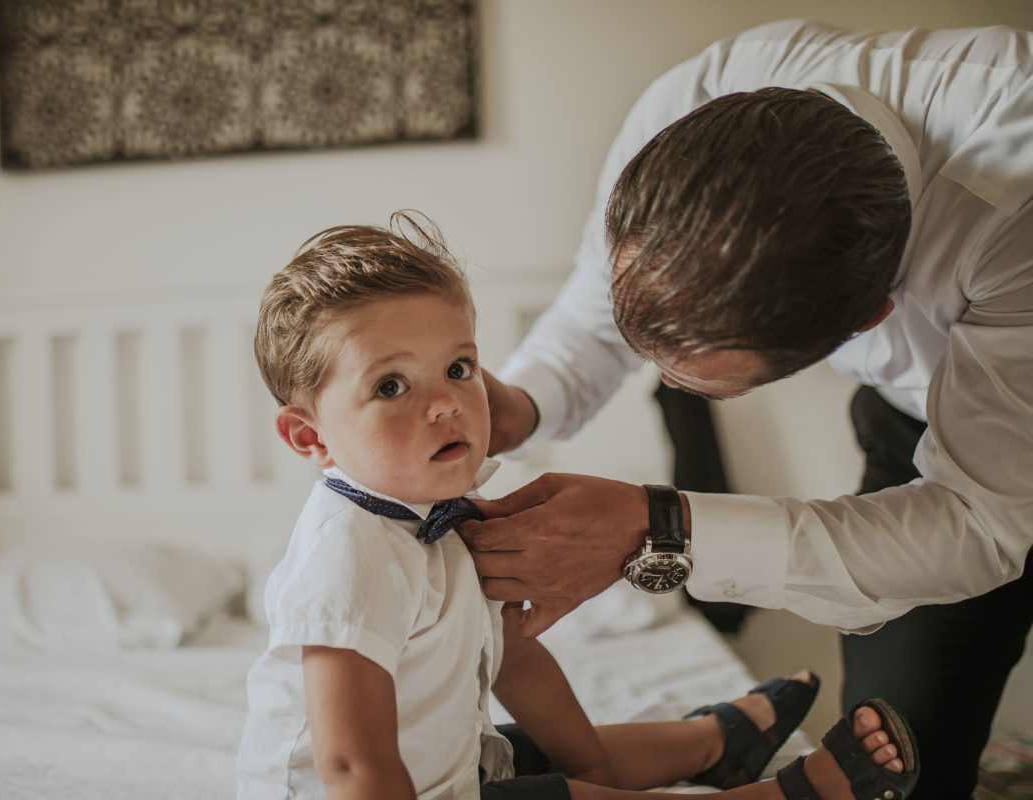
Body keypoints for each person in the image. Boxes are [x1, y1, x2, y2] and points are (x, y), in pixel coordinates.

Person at [457, 19, 1033, 800]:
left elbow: (980, 522)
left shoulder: (1012, 201)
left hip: (988, 456)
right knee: (903, 759)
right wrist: (517, 406)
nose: (653, 374)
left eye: (696, 380)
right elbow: (596, 317)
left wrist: (658, 526)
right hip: (919, 425)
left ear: (868, 322)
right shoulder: (684, 106)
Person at [234, 212, 918, 800]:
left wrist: (595, 767)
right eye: (389, 386)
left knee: (557, 755)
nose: (444, 401)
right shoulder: (347, 554)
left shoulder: (452, 514)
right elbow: (352, 764)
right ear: (309, 436)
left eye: (458, 368)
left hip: (445, 766)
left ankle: (715, 739)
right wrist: (584, 788)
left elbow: (515, 660)